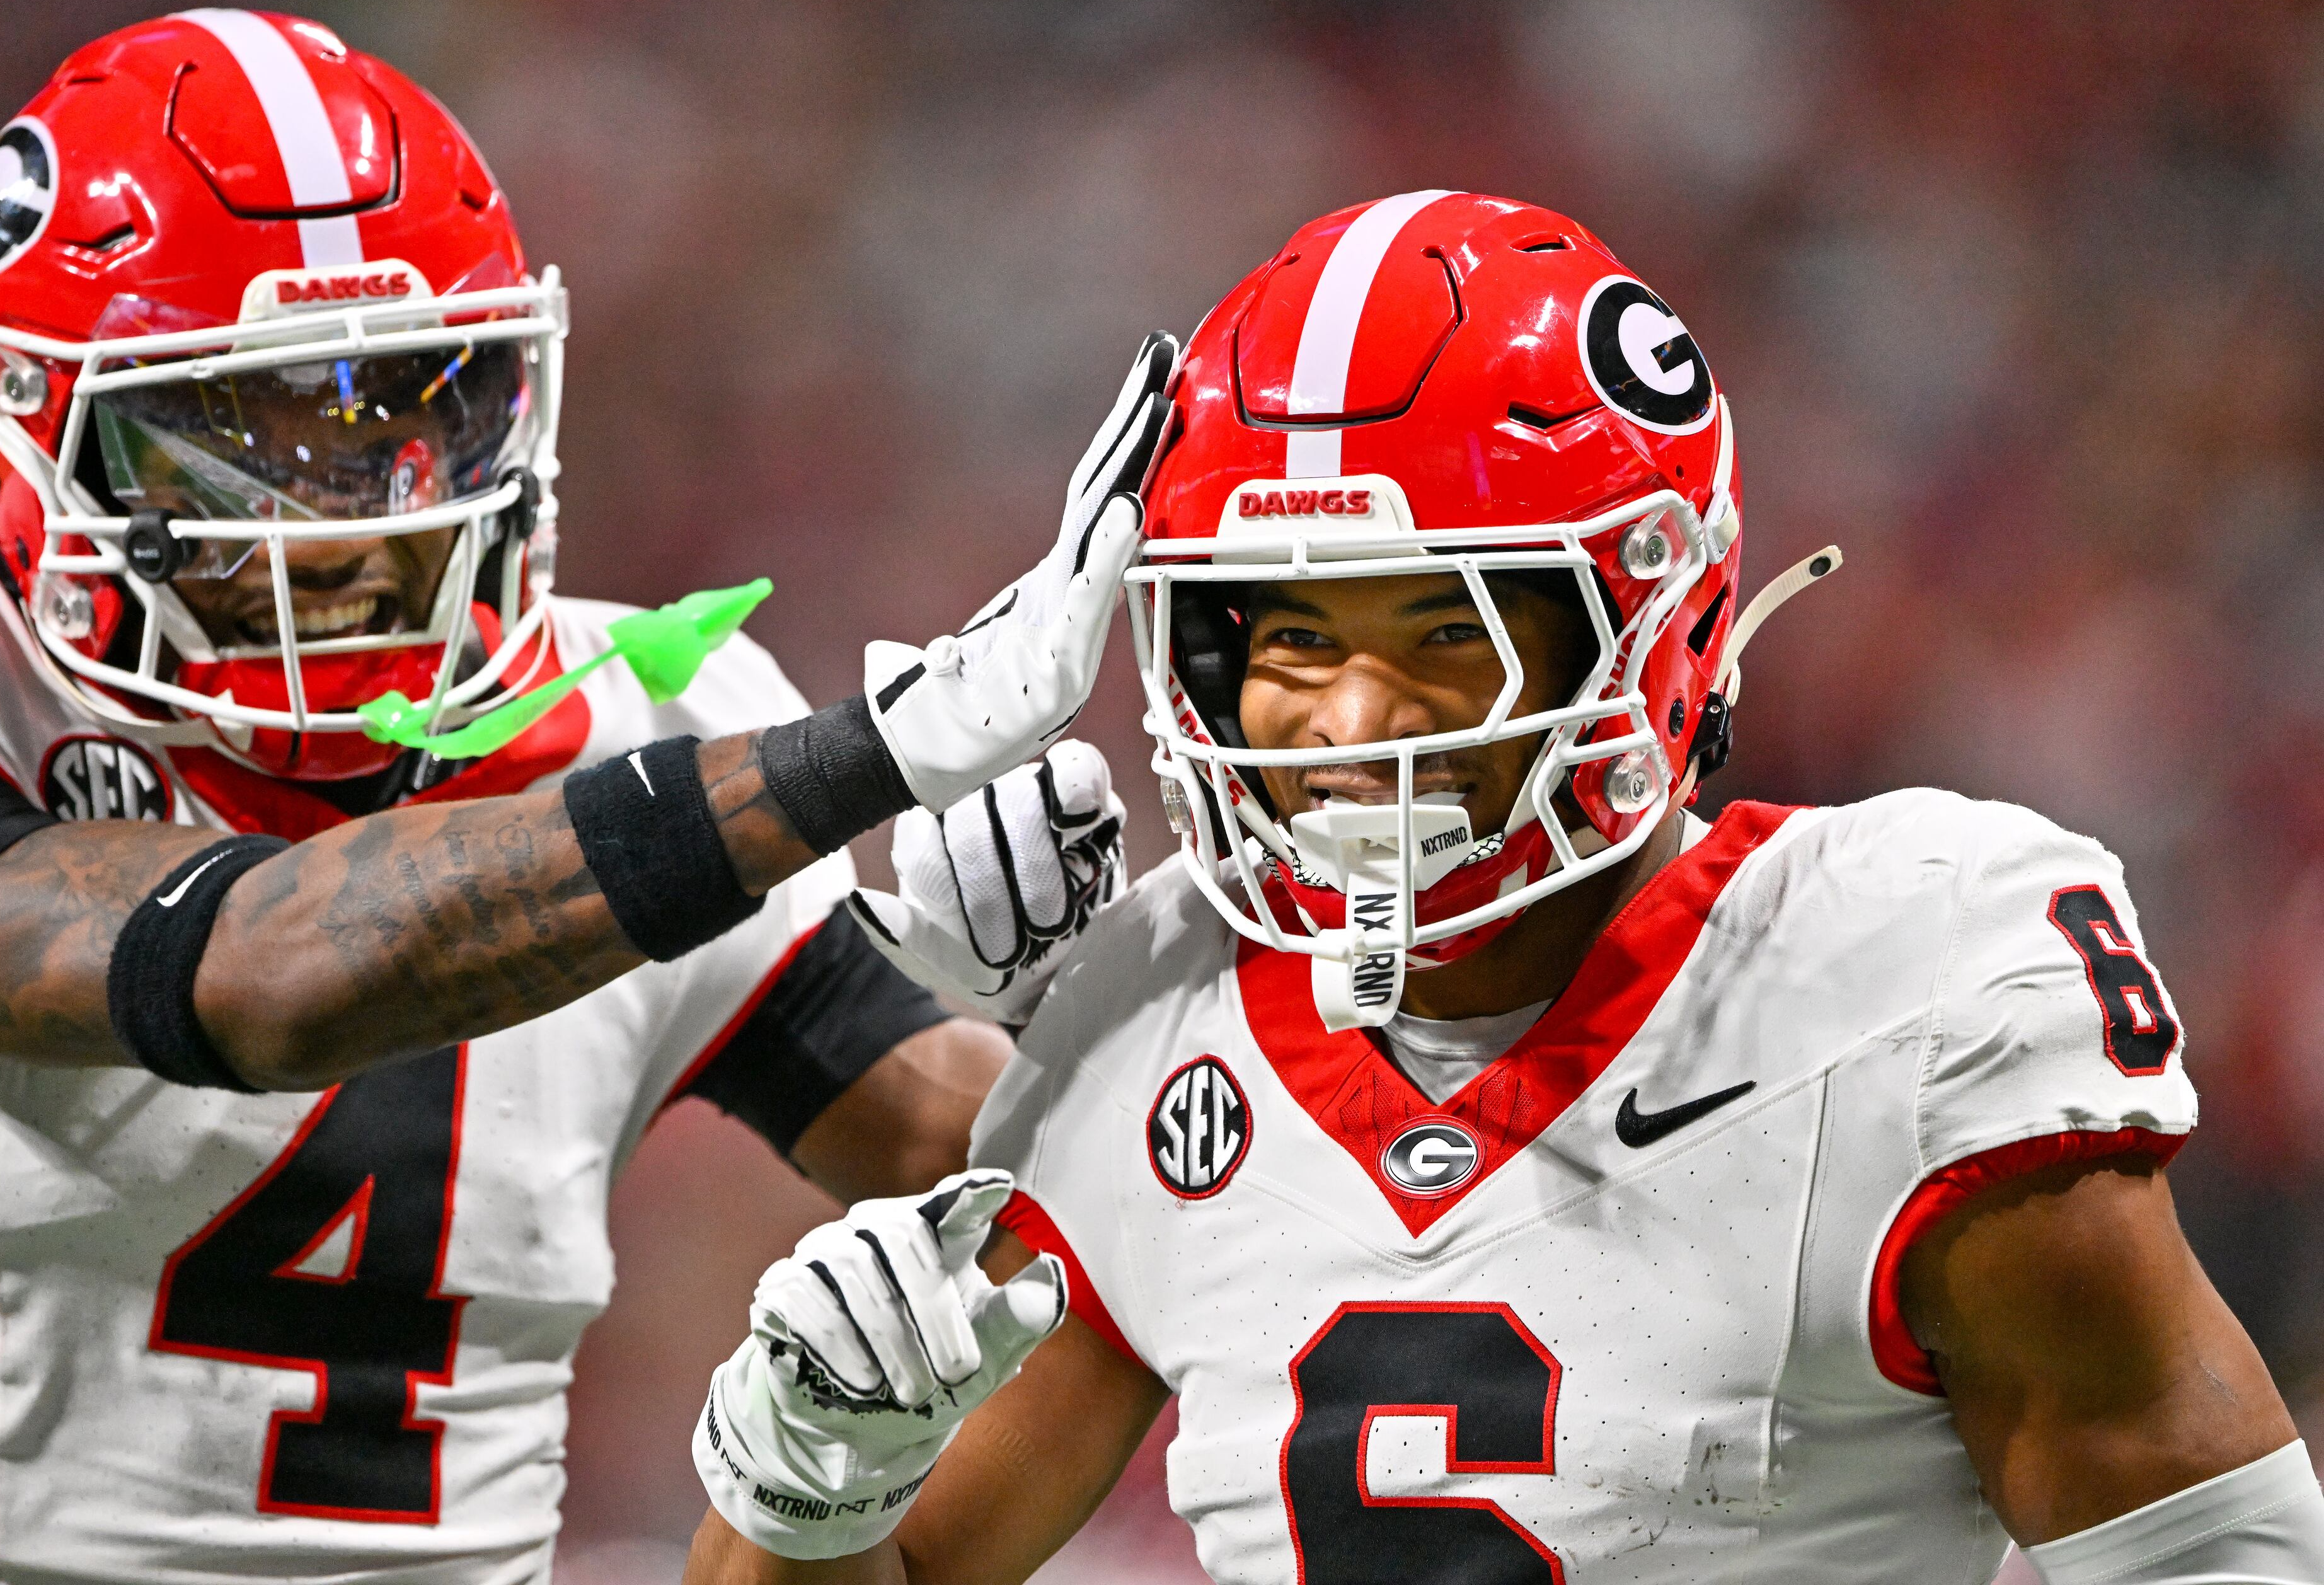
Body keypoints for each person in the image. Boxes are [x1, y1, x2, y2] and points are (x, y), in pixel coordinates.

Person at [685, 192, 2324, 1584]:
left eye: (1446, 631)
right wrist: (808, 1470)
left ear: (1650, 619)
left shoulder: (1899, 980)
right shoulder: (1155, 1017)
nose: (1349, 721)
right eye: (1297, 638)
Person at [0, 9, 1168, 1585]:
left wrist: (1093, 983)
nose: (350, 532)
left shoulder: (639, 714)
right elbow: (263, 974)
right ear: (29, 434)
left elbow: (1049, 1197)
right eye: (232, 450)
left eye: (400, 420)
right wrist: (854, 762)